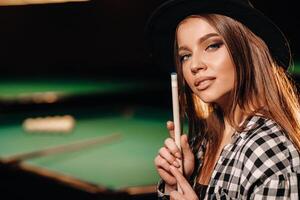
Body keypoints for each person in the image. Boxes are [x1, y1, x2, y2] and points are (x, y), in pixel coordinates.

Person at [145, 0, 300, 199]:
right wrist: (175, 184)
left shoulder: (269, 151)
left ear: (248, 49)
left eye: (212, 45)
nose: (195, 65)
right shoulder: (203, 141)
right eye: (185, 56)